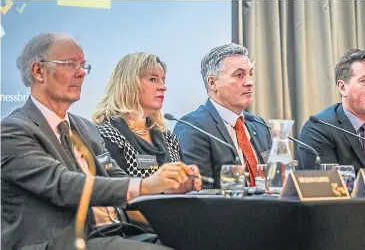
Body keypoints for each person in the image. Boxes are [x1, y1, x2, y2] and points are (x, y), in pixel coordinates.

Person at [1, 33, 200, 250]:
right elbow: (62, 185)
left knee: (206, 241)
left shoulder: (85, 128)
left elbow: (115, 177)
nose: (80, 74)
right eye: (70, 64)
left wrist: (168, 187)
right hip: (62, 242)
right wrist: (146, 184)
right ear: (38, 71)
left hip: (115, 232)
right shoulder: (13, 131)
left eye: (83, 66)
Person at [92, 52, 200, 229]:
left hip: (178, 224)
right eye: (153, 79)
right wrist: (172, 226)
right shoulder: (108, 135)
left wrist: (188, 182)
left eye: (163, 80)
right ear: (128, 84)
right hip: (136, 232)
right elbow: (118, 199)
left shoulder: (168, 137)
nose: (163, 87)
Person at [173, 43, 272, 188]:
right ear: (212, 83)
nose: (250, 82)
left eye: (250, 74)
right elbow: (198, 193)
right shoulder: (193, 128)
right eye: (239, 75)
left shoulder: (259, 125)